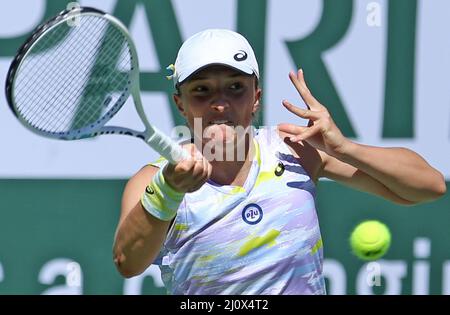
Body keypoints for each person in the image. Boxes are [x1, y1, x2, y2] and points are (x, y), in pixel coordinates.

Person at [112, 29, 446, 294]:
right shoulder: (154, 181)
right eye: (202, 90)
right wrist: (168, 191)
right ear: (180, 104)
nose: (220, 103)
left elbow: (428, 187)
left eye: (235, 87)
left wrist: (344, 148)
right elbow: (127, 263)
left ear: (256, 97)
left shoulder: (294, 149)